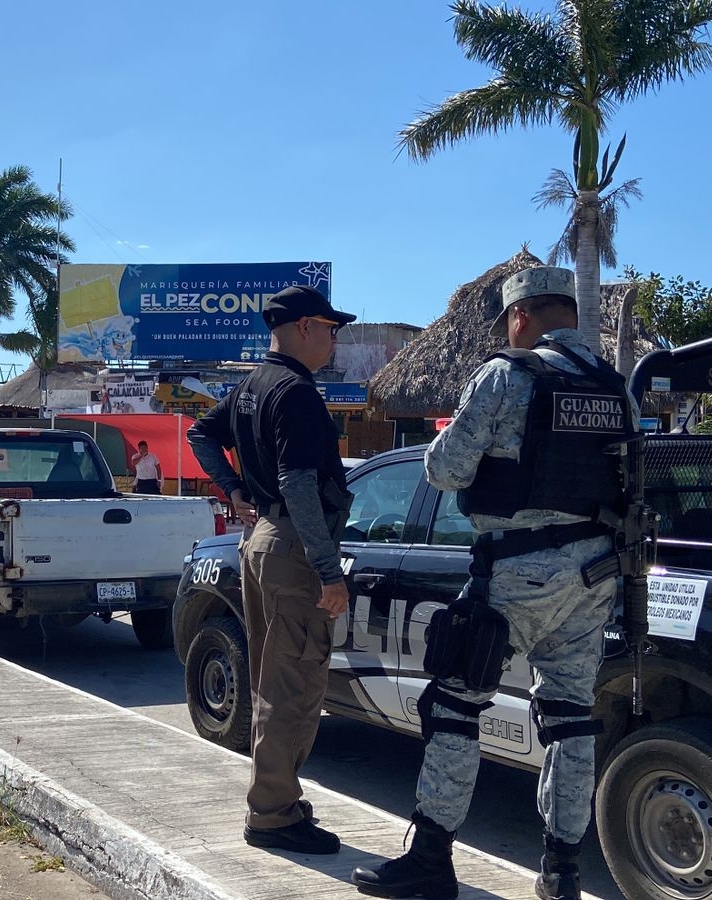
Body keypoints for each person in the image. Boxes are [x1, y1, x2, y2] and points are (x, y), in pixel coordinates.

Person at [352, 267, 634, 900]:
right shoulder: (615, 388)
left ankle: (430, 858)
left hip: (518, 571)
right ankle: (561, 869)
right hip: (594, 574)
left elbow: (446, 471)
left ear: (520, 317)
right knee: (569, 718)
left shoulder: (509, 374)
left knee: (453, 702)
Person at [187, 284, 356, 856]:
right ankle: (274, 815)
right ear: (305, 327)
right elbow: (299, 484)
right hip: (293, 549)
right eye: (331, 328)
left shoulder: (253, 387)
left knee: (271, 681)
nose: (335, 339)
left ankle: (277, 800)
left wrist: (234, 490)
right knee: (293, 687)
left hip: (262, 542)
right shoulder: (296, 392)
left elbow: (199, 433)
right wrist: (329, 571)